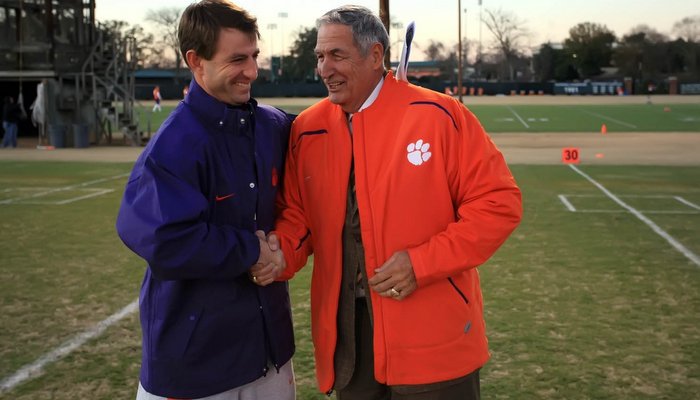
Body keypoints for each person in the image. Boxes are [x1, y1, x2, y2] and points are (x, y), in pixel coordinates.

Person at [265, 5, 522, 399]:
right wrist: (279, 252)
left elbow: (498, 204)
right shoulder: (308, 129)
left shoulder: (438, 115)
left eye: (337, 55)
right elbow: (298, 217)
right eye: (319, 56)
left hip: (434, 340)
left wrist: (421, 264)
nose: (324, 68)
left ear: (375, 56)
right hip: (348, 343)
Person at [115, 1, 295, 399]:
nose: (252, 71)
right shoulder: (174, 145)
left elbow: (323, 147)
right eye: (236, 60)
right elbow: (164, 238)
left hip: (269, 355)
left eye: (254, 56)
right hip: (197, 366)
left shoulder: (271, 125)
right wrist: (251, 250)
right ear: (196, 61)